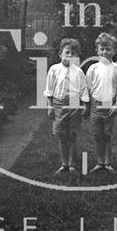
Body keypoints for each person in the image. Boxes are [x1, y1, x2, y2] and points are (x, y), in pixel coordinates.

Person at [84, 32, 117, 175]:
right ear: (97, 51)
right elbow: (87, 88)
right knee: (97, 136)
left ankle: (107, 163)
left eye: (108, 49)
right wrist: (86, 105)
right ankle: (99, 162)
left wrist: (116, 105)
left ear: (114, 51)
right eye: (102, 49)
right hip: (95, 107)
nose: (105, 51)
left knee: (107, 135)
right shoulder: (92, 69)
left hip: (109, 107)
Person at [45, 38, 89, 175]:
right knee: (62, 136)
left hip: (74, 105)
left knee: (72, 136)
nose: (70, 56)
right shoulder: (54, 70)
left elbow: (83, 90)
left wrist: (85, 106)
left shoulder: (79, 72)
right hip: (58, 105)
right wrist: (50, 107)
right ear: (60, 53)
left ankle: (72, 164)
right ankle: (64, 164)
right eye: (67, 52)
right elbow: (49, 90)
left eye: (73, 53)